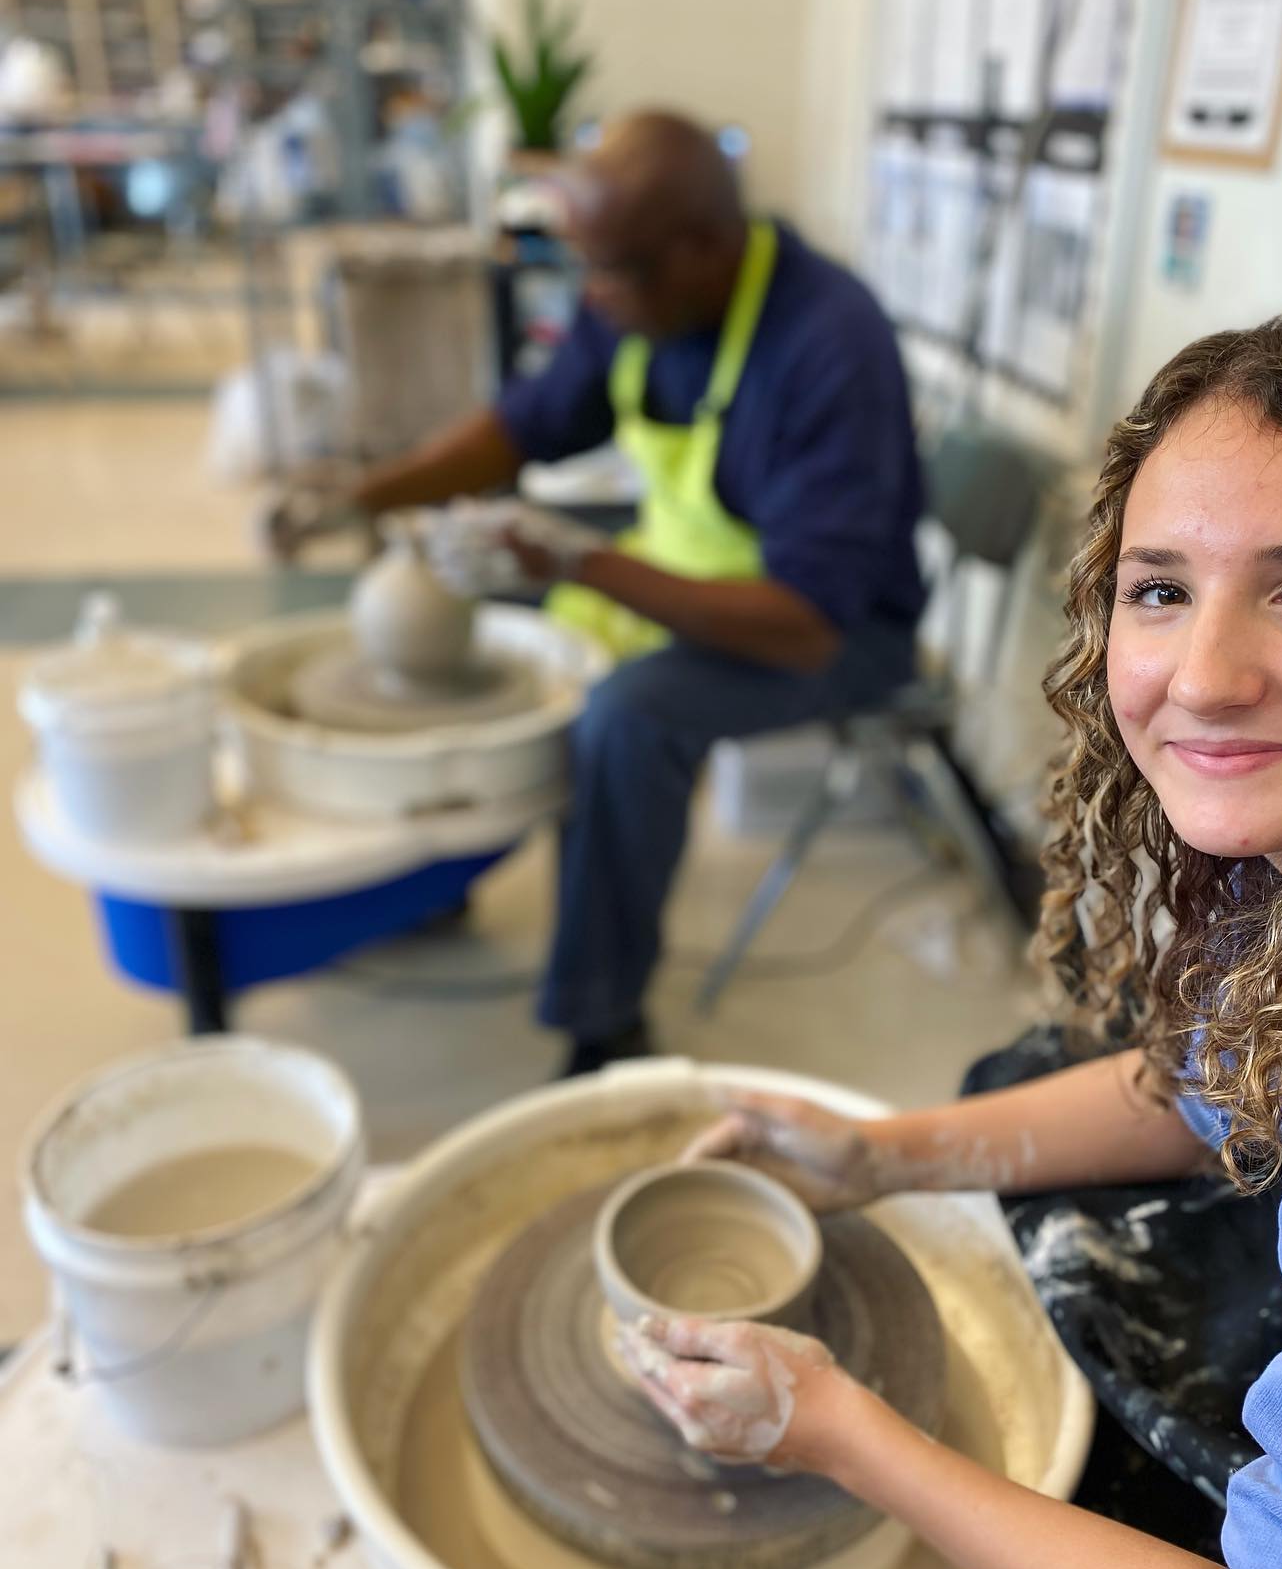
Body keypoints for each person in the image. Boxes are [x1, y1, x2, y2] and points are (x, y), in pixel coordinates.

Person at [618, 304, 1282, 1569]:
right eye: (1160, 587)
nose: (1204, 678)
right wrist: (881, 1155)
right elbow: (1217, 1085)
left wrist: (838, 1430)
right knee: (1008, 1079)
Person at [268, 111, 925, 1076]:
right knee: (455, 603)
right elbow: (526, 425)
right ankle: (436, 881)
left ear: (703, 245)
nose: (594, 297)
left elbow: (803, 621)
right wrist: (363, 490)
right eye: (585, 268)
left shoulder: (830, 345)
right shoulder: (634, 288)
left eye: (611, 272)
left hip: (833, 630)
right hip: (683, 571)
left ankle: (602, 1018)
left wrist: (579, 561)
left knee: (628, 717)